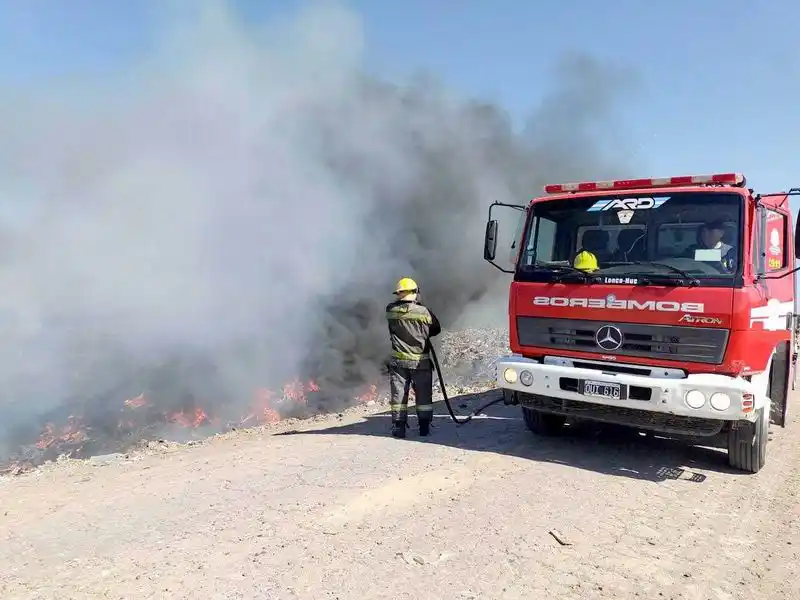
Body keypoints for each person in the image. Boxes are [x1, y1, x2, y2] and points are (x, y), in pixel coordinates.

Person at [385, 277, 441, 438]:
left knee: (399, 395)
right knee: (423, 395)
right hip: (420, 362)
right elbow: (436, 329)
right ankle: (424, 427)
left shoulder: (390, 310)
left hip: (398, 363)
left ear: (399, 294)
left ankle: (398, 427)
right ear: (416, 293)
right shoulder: (425, 312)